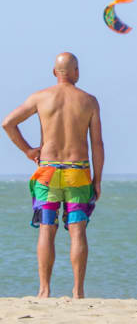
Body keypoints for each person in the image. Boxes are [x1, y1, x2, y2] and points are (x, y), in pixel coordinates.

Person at [1, 53, 104, 299]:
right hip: (77, 172)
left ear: (54, 72)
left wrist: (28, 151)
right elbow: (97, 144)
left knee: (47, 228)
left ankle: (44, 290)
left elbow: (7, 123)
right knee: (78, 230)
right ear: (76, 72)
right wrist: (97, 179)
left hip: (47, 172)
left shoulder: (40, 98)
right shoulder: (89, 101)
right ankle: (78, 291)